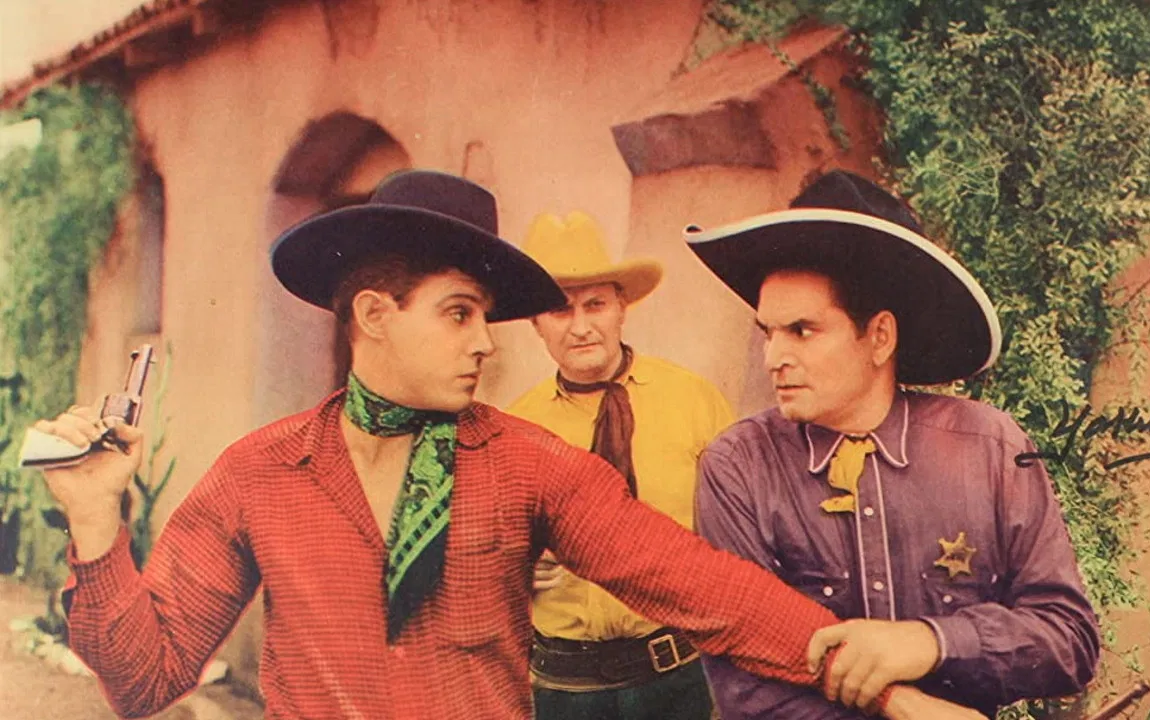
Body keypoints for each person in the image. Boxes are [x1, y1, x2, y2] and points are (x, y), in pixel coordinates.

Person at [34, 170, 856, 720]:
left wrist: (862, 666)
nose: (486, 344)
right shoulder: (261, 472)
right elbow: (144, 681)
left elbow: (700, 583)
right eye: (459, 314)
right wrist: (96, 518)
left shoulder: (527, 464)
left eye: (484, 318)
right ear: (374, 316)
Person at [684, 170, 1101, 719]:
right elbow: (747, 688)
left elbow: (1069, 639)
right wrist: (903, 709)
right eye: (769, 332)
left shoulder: (991, 449)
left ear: (879, 337)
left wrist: (932, 641)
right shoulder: (738, 468)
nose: (773, 358)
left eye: (802, 331)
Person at [507, 211, 735, 719]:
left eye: (596, 305)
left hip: (676, 679)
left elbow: (741, 539)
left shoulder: (693, 400)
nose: (581, 327)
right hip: (566, 692)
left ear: (621, 308)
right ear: (536, 323)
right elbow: (489, 557)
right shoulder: (514, 428)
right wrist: (518, 564)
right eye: (560, 310)